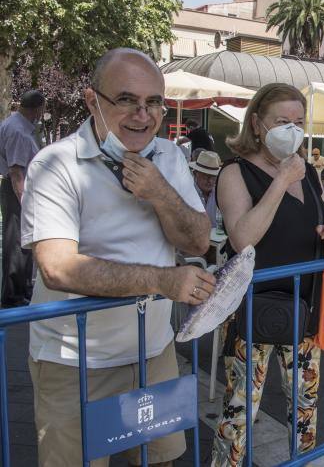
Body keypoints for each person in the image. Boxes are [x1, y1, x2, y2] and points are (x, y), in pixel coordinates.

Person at [21, 48, 215, 466]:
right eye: (126, 99)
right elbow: (58, 267)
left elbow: (198, 242)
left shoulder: (169, 156)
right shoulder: (56, 164)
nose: (142, 116)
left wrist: (161, 192)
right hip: (74, 361)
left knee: (162, 460)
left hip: (154, 351)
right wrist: (163, 281)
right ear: (93, 101)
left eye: (154, 103)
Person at [212, 83, 324, 465]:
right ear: (256, 123)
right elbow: (242, 238)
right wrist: (281, 181)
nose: (292, 129)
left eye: (299, 121)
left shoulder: (308, 173)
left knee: (305, 411)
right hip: (252, 311)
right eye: (281, 121)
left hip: (305, 309)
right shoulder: (235, 173)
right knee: (239, 413)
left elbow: (321, 229)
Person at [0, 89, 45, 307]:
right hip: (18, 189)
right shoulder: (18, 130)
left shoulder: (18, 125)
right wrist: (25, 201)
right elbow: (16, 171)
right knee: (18, 242)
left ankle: (23, 289)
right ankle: (13, 296)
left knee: (24, 240)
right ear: (38, 109)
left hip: (20, 188)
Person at [188, 149, 222, 229]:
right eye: (205, 175)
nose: (210, 180)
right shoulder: (187, 193)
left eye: (213, 176)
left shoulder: (220, 193)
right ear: (195, 173)